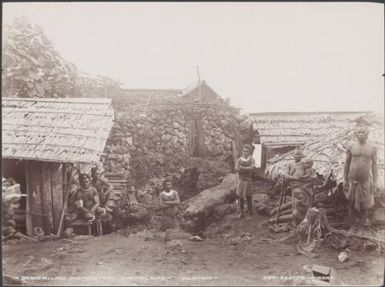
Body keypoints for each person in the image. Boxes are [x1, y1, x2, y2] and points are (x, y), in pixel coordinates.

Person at [343, 126, 379, 230]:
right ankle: (352, 225)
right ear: (356, 134)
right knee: (351, 201)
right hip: (352, 179)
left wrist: (375, 181)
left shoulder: (372, 148)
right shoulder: (351, 146)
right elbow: (347, 163)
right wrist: (345, 179)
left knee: (365, 203)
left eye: (363, 132)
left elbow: (374, 165)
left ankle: (361, 226)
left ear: (367, 134)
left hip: (365, 180)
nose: (361, 134)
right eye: (359, 132)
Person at [284, 151, 317, 225]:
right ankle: (296, 222)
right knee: (296, 205)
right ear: (293, 155)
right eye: (296, 154)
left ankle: (306, 221)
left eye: (299, 154)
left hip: (305, 187)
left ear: (302, 156)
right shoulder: (290, 164)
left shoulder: (305, 164)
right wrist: (295, 178)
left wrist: (306, 178)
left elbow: (313, 175)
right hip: (295, 186)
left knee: (306, 203)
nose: (298, 156)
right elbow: (286, 175)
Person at [235, 144, 255, 219]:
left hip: (248, 180)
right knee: (240, 197)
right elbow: (236, 168)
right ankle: (241, 213)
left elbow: (251, 168)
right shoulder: (239, 159)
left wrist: (241, 168)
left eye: (246, 151)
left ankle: (250, 213)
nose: (245, 152)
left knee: (249, 197)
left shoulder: (252, 159)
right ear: (242, 151)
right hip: (241, 180)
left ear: (249, 152)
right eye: (244, 151)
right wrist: (243, 169)